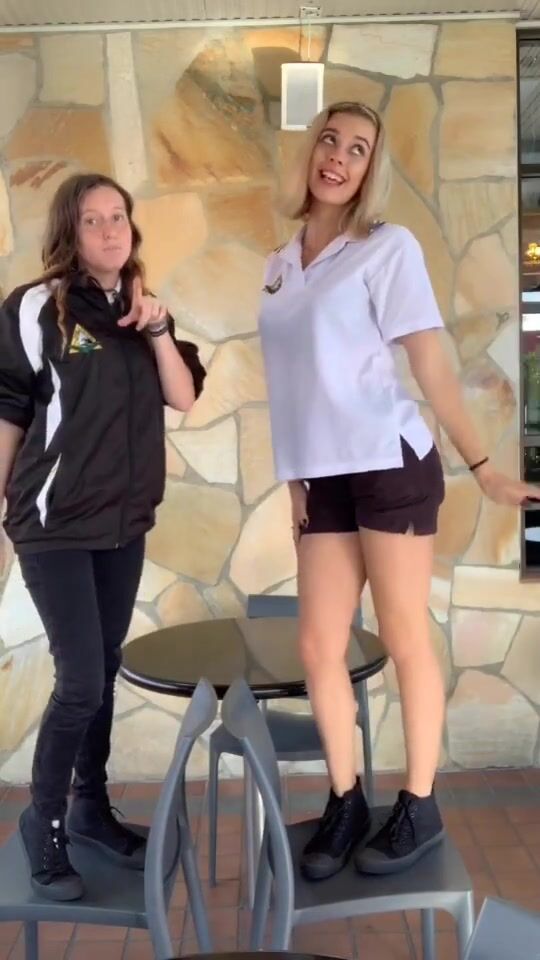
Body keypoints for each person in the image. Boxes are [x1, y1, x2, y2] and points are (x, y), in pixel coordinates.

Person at [258, 100, 539, 882]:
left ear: (370, 170)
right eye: (330, 141)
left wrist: (481, 464)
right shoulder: (280, 264)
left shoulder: (388, 248)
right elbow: (288, 384)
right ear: (311, 153)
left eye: (358, 149)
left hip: (388, 462)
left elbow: (431, 362)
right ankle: (346, 801)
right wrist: (293, 480)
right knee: (319, 645)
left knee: (403, 633)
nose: (338, 157)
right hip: (323, 477)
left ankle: (418, 804)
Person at [0, 173, 206, 901]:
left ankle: (89, 807)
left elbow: (183, 395)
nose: (110, 229)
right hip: (53, 524)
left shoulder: (142, 312)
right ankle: (44, 821)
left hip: (122, 526)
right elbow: (9, 410)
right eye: (93, 220)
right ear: (71, 232)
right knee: (81, 680)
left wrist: (156, 329)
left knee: (104, 669)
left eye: (118, 216)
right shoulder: (35, 308)